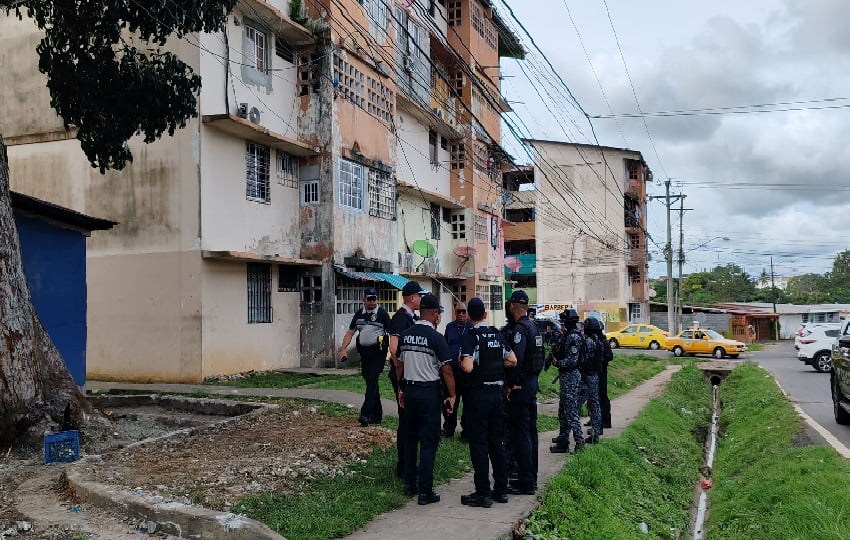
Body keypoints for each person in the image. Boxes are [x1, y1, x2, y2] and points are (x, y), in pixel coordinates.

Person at [397, 293, 456, 505]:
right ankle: (425, 491)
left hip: (410, 391)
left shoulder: (406, 334)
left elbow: (400, 365)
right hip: (429, 393)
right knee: (429, 442)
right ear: (433, 314)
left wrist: (401, 390)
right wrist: (452, 394)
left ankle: (409, 484)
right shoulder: (436, 338)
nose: (439, 316)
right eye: (438, 313)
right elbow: (447, 370)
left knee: (411, 438)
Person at [459, 297, 517, 508]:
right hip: (497, 395)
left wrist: (474, 363)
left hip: (478, 395)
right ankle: (501, 490)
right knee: (496, 443)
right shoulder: (496, 334)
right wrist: (493, 362)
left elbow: (467, 367)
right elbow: (512, 360)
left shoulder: (470, 337)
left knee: (479, 444)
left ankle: (482, 493)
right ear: (485, 314)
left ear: (469, 317)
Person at [504, 289, 544, 495]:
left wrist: (510, 384)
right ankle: (532, 478)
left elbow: (515, 361)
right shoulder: (535, 327)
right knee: (531, 432)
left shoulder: (520, 329)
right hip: (532, 383)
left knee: (522, 434)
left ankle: (526, 481)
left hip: (521, 386)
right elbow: (541, 359)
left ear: (512, 306)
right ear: (527, 307)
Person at [388, 280, 426, 479]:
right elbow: (393, 348)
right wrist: (400, 370)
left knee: (411, 421)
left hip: (409, 374)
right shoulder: (401, 318)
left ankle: (408, 463)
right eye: (419, 296)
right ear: (412, 297)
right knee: (405, 422)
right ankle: (403, 465)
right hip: (401, 375)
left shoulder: (412, 318)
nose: (421, 299)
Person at [338, 287, 391, 426]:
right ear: (364, 300)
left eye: (374, 299)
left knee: (372, 380)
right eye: (370, 299)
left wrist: (393, 353)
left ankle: (365, 414)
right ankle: (377, 416)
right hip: (365, 353)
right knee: (371, 383)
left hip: (378, 351)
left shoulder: (382, 313)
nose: (373, 302)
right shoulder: (359, 314)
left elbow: (392, 333)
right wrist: (343, 349)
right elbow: (350, 332)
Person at [549, 308, 584, 453]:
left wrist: (558, 363)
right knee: (563, 412)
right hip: (566, 378)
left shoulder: (573, 337)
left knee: (571, 413)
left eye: (564, 323)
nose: (562, 325)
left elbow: (573, 360)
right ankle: (563, 441)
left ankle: (579, 443)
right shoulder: (569, 335)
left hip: (571, 377)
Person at [442, 302, 473, 439]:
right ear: (455, 312)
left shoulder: (471, 328)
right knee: (450, 400)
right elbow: (445, 344)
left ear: (467, 313)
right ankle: (449, 428)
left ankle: (466, 431)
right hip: (452, 373)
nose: (461, 314)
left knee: (468, 403)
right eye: (458, 311)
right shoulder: (450, 327)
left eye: (463, 311)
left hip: (467, 373)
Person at [579, 317, 604, 443]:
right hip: (595, 376)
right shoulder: (599, 342)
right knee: (595, 405)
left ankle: (573, 434)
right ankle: (596, 435)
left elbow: (582, 359)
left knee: (577, 404)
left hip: (586, 377)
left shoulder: (588, 341)